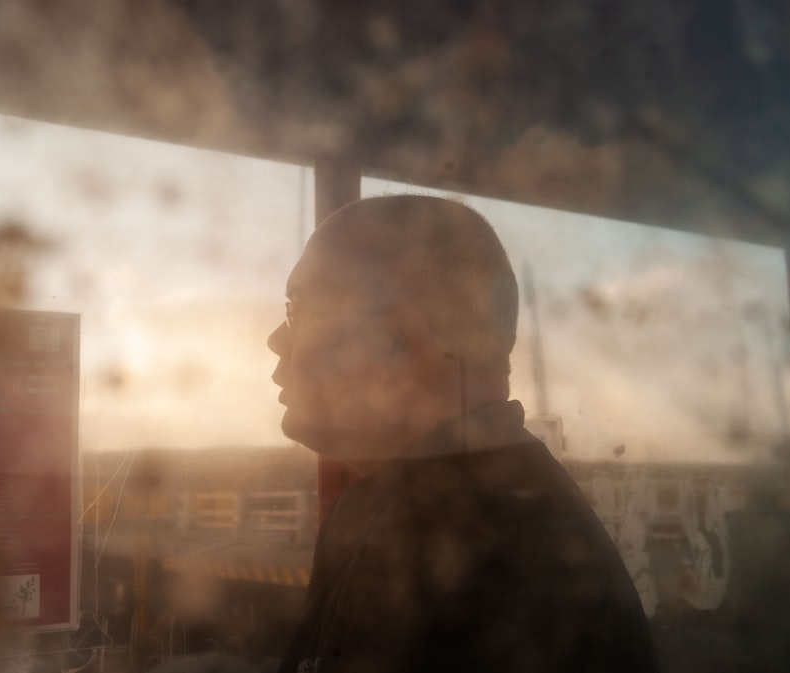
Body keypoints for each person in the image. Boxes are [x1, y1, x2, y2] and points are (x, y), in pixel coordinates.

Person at [267, 195, 659, 673]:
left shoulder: (490, 570)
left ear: (402, 338)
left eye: (297, 307)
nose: (276, 340)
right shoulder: (464, 513)